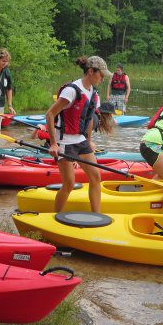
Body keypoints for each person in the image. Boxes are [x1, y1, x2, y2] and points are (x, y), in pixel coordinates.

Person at [45, 56, 113, 213]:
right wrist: (53, 143)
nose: (102, 78)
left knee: (95, 177)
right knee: (69, 183)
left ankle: (97, 216)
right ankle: (56, 217)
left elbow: (88, 121)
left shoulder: (94, 94)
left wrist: (88, 142)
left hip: (81, 141)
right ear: (90, 71)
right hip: (64, 142)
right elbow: (49, 114)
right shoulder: (71, 90)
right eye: (101, 75)